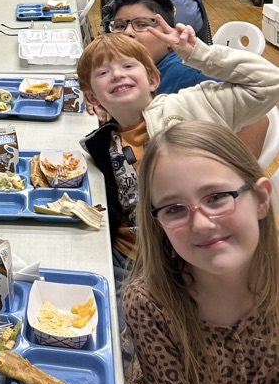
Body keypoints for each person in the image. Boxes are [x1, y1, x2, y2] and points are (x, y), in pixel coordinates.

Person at [124, 121, 277, 384]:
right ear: (158, 223)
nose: (203, 224)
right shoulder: (150, 303)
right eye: (175, 209)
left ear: (261, 198)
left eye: (217, 197)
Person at [76, 19, 279, 286]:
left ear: (153, 79)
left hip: (188, 260)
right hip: (124, 255)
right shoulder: (104, 141)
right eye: (103, 72)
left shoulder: (194, 104)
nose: (117, 75)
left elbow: (269, 83)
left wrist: (200, 53)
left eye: (127, 66)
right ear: (92, 98)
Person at [102, 0, 269, 157]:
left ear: (169, 38)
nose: (127, 33)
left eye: (142, 25)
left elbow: (258, 120)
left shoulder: (188, 73)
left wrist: (236, 169)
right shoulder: (129, 73)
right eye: (120, 26)